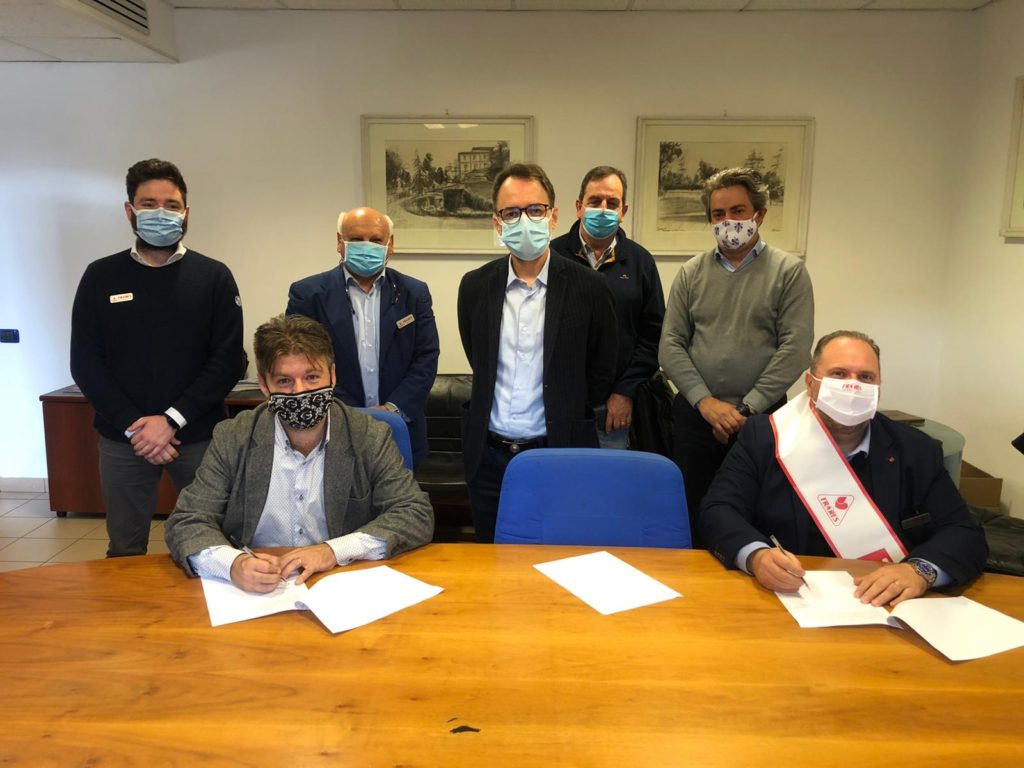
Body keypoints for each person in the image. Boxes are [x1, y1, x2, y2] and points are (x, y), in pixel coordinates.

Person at [700, 330, 988, 605]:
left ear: (878, 388)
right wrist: (756, 557)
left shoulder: (917, 450)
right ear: (810, 383)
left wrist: (919, 571)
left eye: (865, 377)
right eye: (838, 374)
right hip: (785, 597)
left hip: (881, 604)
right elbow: (718, 510)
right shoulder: (764, 437)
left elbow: (962, 532)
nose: (853, 386)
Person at [165, 314, 434, 593]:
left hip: (339, 581)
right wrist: (232, 564)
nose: (300, 391)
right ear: (264, 385)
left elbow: (414, 513)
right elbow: (187, 520)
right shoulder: (233, 437)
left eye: (312, 377)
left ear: (332, 376)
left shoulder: (369, 436)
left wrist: (333, 551)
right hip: (256, 588)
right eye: (284, 381)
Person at [71, 158, 243, 557]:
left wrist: (170, 420)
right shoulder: (100, 276)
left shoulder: (214, 277)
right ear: (129, 211)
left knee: (214, 543)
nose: (161, 212)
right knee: (125, 547)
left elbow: (227, 361)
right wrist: (137, 428)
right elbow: (85, 362)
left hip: (197, 435)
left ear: (186, 212)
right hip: (124, 438)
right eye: (149, 204)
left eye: (171, 205)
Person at [457, 163, 618, 543]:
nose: (524, 220)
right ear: (498, 223)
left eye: (534, 209)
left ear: (553, 216)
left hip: (560, 451)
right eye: (511, 213)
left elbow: (602, 367)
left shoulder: (590, 287)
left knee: (561, 558)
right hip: (489, 457)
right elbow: (478, 357)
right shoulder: (475, 286)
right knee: (491, 558)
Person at [659, 167, 814, 542]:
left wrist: (747, 409)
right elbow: (671, 345)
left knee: (754, 516)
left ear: (760, 214)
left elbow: (795, 349)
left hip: (761, 419)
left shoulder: (789, 273)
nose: (728, 221)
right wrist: (706, 403)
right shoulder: (691, 272)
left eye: (738, 211)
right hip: (697, 417)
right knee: (692, 514)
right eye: (718, 214)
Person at [287, 207, 439, 467]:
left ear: (390, 244)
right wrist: (351, 415)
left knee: (397, 494)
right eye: (356, 239)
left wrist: (392, 410)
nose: (367, 246)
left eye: (376, 240)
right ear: (340, 243)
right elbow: (301, 363)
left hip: (400, 428)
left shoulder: (414, 293)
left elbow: (426, 357)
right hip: (330, 429)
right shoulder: (308, 294)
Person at [550, 166, 665, 449]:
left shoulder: (640, 262)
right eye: (595, 201)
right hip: (558, 403)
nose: (603, 209)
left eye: (612, 203)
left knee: (607, 476)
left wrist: (625, 392)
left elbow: (653, 336)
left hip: (614, 408)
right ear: (579, 207)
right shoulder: (551, 256)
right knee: (559, 475)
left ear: (623, 211)